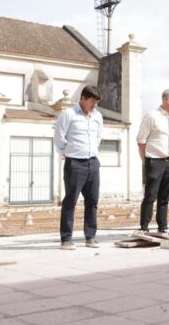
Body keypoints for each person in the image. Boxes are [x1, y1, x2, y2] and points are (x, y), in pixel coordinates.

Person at [54, 86, 103, 250]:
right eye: (92, 101)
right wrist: (68, 154)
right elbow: (59, 138)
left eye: (97, 102)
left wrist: (92, 154)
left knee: (93, 201)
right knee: (70, 201)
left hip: (93, 163)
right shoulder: (69, 114)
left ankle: (90, 237)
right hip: (75, 164)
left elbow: (98, 138)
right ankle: (66, 239)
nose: (95, 105)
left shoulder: (98, 116)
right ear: (83, 98)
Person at [137, 89, 169, 235]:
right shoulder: (151, 116)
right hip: (154, 160)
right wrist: (146, 161)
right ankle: (144, 227)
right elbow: (141, 141)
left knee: (165, 197)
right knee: (150, 195)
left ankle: (163, 227)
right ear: (167, 100)